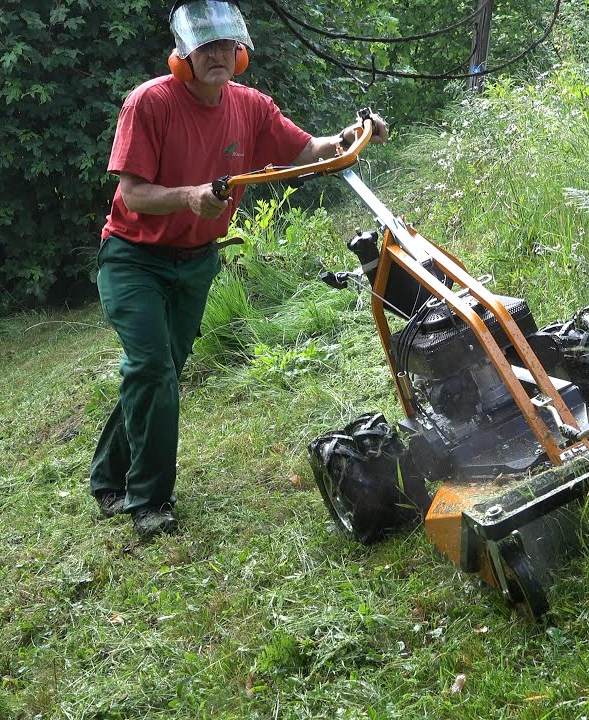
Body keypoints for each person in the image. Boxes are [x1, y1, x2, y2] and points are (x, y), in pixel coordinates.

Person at [89, 0, 388, 539]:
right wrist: (189, 196)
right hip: (134, 259)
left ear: (241, 52)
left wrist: (349, 137)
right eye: (205, 47)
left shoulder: (249, 106)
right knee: (153, 369)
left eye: (226, 45)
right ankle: (148, 500)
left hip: (196, 261)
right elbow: (131, 194)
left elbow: (306, 151)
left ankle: (108, 476)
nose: (217, 55)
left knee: (158, 372)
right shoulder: (149, 103)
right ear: (183, 56)